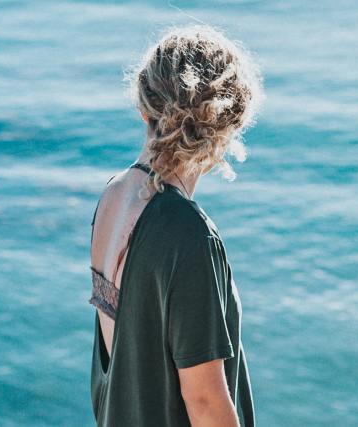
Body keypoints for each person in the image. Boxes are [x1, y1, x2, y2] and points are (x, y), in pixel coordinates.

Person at [87, 24, 263, 426]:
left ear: (143, 107)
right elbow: (204, 401)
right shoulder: (189, 235)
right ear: (227, 126)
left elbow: (122, 359)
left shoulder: (112, 198)